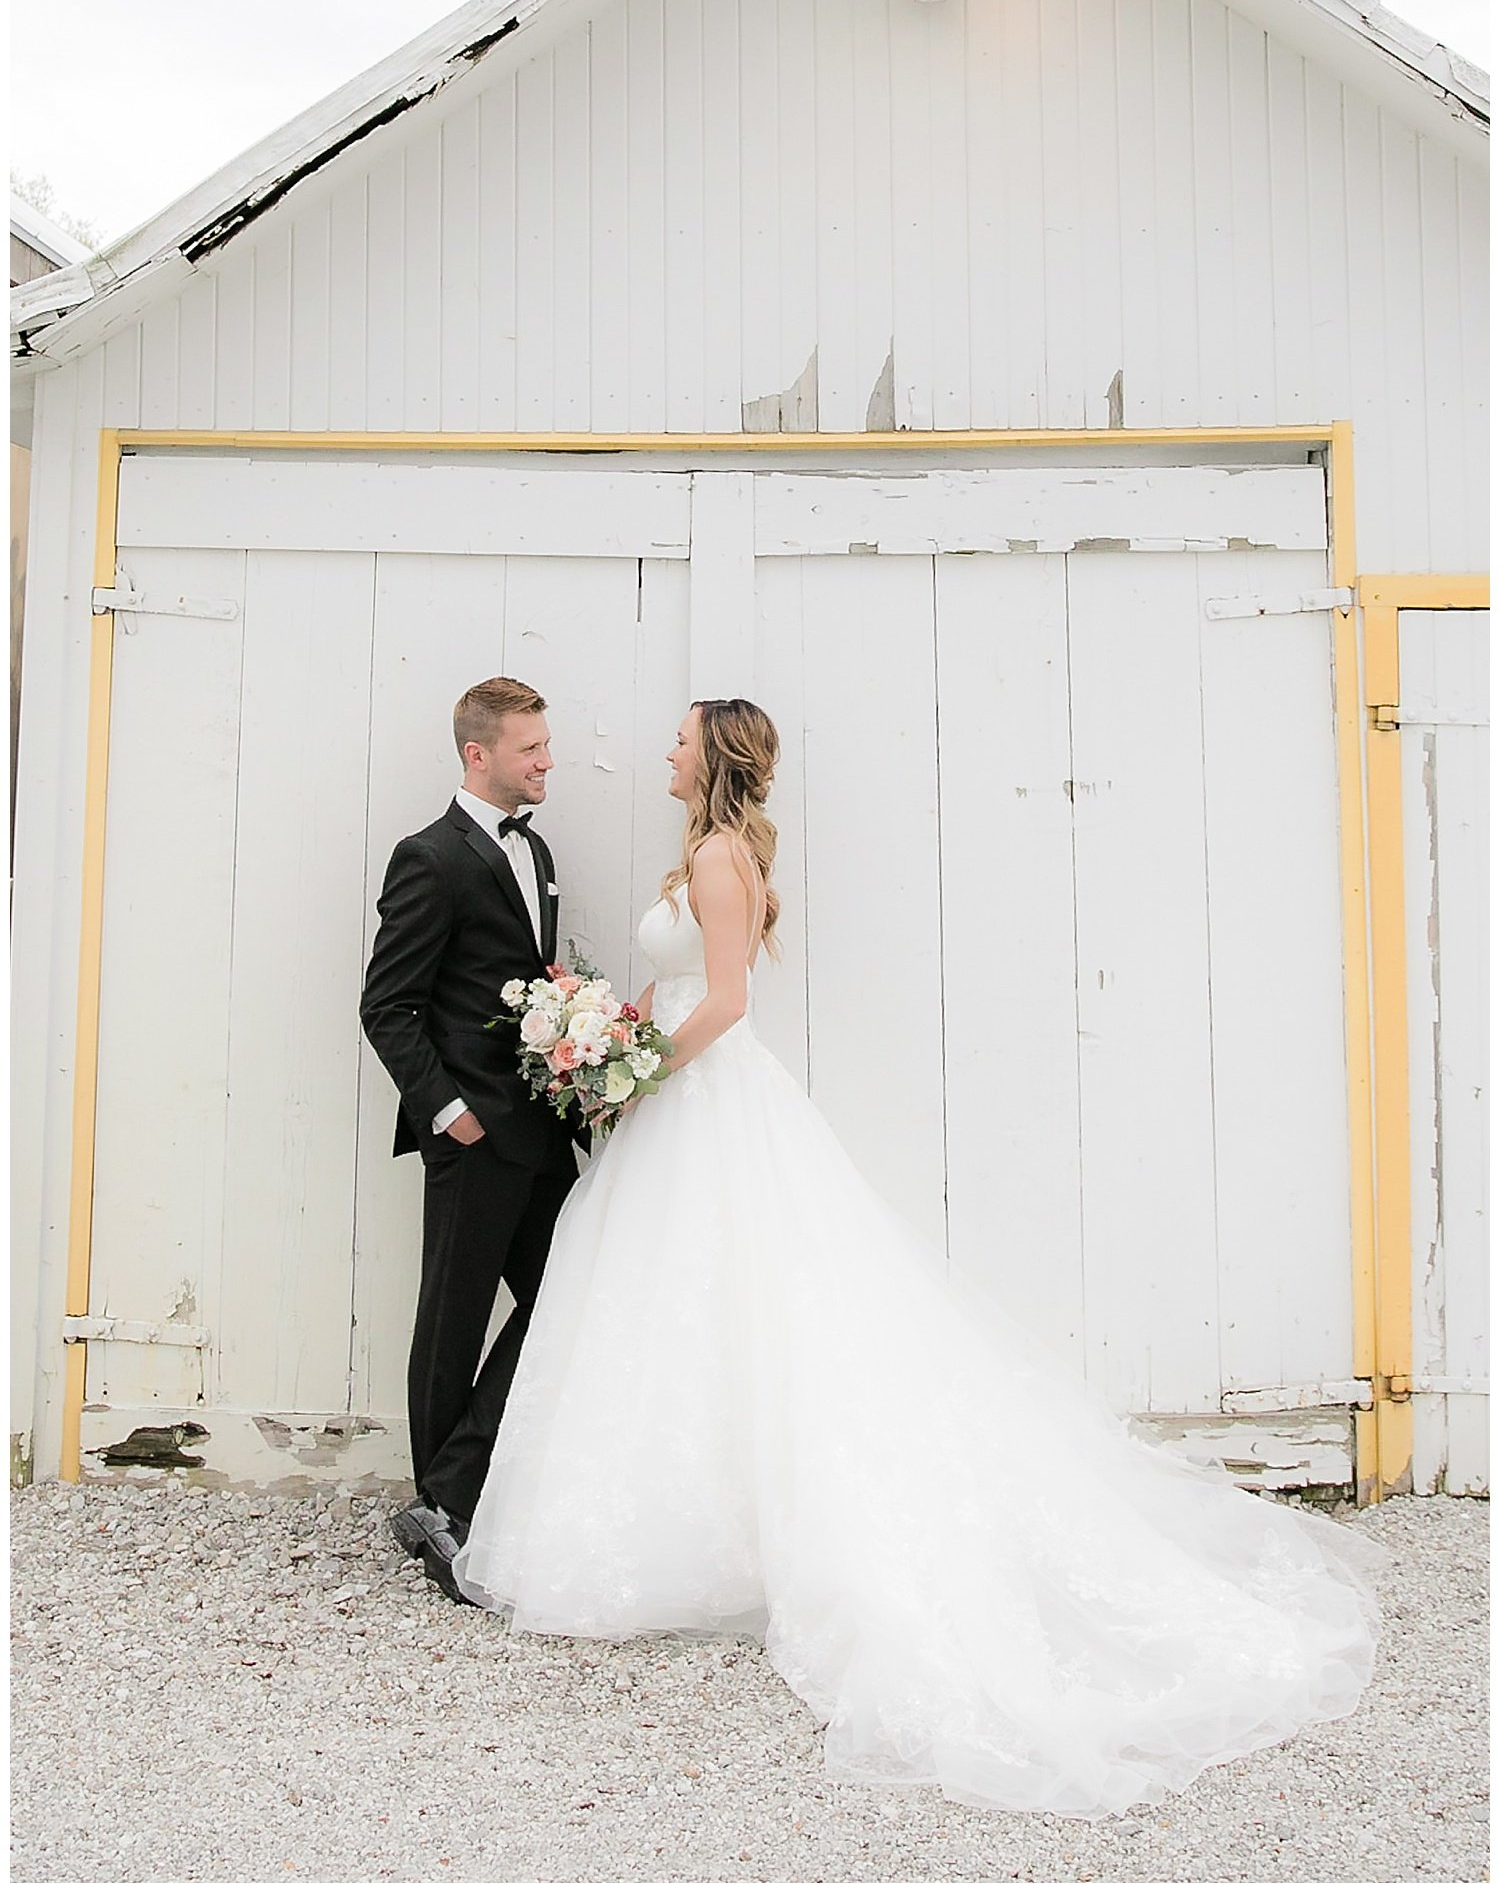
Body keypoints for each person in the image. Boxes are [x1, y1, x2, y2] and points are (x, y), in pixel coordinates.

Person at [451, 698, 1387, 1818]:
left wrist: (638, 1063)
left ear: (714, 756)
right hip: (677, 1101)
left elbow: (732, 1002)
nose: (666, 748)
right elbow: (692, 980)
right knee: (686, 1310)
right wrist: (617, 1024)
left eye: (682, 737)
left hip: (706, 1097)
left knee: (743, 1299)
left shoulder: (714, 851)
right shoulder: (702, 850)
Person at [360, 677, 582, 1601]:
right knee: (451, 1322)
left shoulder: (538, 851)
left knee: (570, 1299)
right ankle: (442, 1513)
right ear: (477, 755)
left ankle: (453, 1493)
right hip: (473, 1135)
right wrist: (450, 1114)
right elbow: (389, 1005)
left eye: (546, 743)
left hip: (543, 1132)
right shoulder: (431, 857)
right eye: (530, 749)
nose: (547, 761)